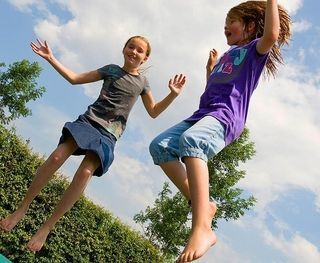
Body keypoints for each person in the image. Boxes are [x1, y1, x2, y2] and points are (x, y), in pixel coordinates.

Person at [0, 36, 186, 252]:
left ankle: (46, 228)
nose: (134, 52)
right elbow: (74, 78)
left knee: (84, 173)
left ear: (145, 58)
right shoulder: (111, 70)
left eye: (140, 50)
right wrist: (51, 58)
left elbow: (153, 112)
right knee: (57, 157)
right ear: (124, 49)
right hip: (88, 121)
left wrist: (172, 95)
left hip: (108, 135)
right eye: (131, 47)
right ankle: (22, 209)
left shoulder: (142, 83)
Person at [149, 1, 291, 262]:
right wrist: (209, 69)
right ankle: (206, 205)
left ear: (249, 26)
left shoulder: (253, 51)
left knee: (193, 141)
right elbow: (214, 86)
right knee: (160, 146)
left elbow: (271, 34)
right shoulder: (227, 55)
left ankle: (202, 227)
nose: (225, 28)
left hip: (226, 117)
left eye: (231, 23)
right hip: (204, 113)